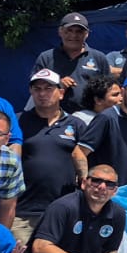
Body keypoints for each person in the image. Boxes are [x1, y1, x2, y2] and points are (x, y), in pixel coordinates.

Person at [15, 70, 79, 242]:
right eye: (37, 89)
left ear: (61, 93)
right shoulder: (17, 121)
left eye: (49, 88)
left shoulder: (76, 124)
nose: (42, 93)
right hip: (23, 212)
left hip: (64, 211)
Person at [75, 74, 127, 186]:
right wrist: (85, 181)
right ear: (123, 92)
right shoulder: (107, 118)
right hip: (106, 192)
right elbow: (79, 152)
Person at [31, 12, 108, 113]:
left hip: (90, 119)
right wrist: (58, 84)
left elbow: (108, 90)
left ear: (87, 34)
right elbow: (35, 87)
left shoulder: (99, 58)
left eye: (79, 31)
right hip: (54, 118)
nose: (73, 35)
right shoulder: (46, 57)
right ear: (60, 31)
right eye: (69, 31)